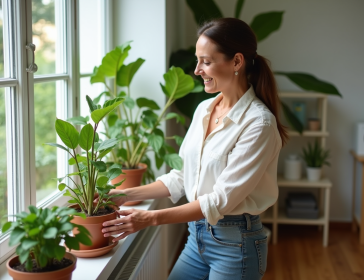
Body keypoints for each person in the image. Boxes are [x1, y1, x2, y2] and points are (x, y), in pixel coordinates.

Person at [100, 18, 288, 280]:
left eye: (206, 61)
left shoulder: (259, 123)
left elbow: (220, 200)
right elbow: (182, 176)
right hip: (196, 240)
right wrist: (123, 194)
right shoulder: (204, 109)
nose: (197, 69)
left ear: (236, 62)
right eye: (197, 60)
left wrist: (149, 218)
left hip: (236, 246)